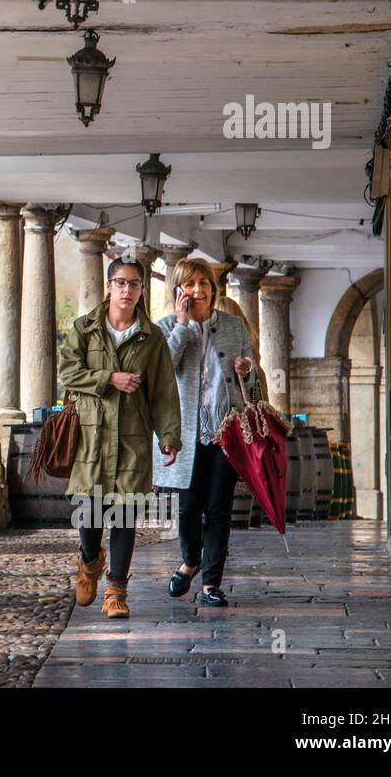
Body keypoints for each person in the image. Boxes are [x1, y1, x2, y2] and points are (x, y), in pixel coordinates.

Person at [58, 257, 182, 619]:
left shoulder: (152, 337)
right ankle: (89, 560)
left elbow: (163, 391)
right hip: (91, 437)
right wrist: (109, 379)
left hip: (132, 437)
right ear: (109, 286)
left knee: (125, 515)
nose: (127, 289)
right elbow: (68, 371)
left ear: (142, 290)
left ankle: (116, 592)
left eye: (134, 284)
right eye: (121, 282)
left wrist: (169, 435)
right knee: (90, 514)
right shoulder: (84, 329)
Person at [154, 258, 259, 607]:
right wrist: (182, 326)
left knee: (218, 509)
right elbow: (161, 370)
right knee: (187, 507)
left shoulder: (232, 326)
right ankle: (190, 561)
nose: (198, 290)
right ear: (178, 290)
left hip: (226, 429)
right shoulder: (166, 326)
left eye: (204, 283)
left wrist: (247, 370)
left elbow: (252, 378)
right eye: (190, 283)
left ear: (214, 289)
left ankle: (211, 583)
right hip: (185, 431)